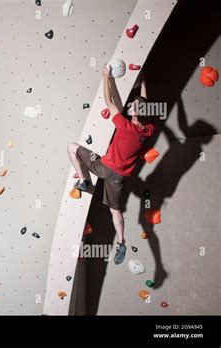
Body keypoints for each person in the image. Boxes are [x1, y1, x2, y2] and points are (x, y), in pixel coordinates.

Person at [67, 65, 157, 265]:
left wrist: (105, 76)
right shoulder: (148, 130)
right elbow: (144, 104)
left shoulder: (124, 126)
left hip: (103, 167)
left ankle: (83, 181)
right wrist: (143, 83)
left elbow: (109, 101)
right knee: (115, 212)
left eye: (133, 106)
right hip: (119, 178)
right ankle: (122, 241)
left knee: (71, 147)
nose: (131, 106)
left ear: (134, 114)